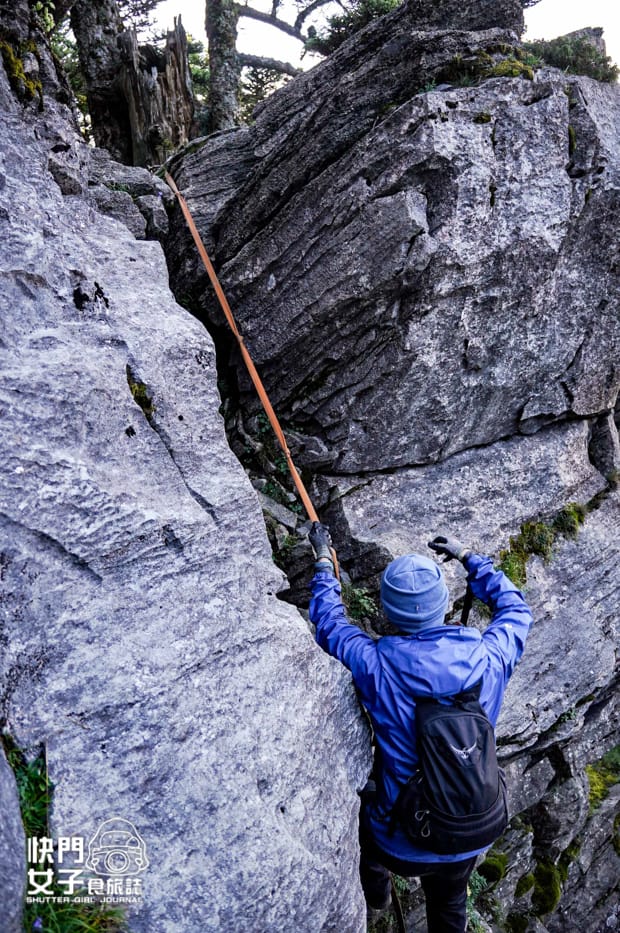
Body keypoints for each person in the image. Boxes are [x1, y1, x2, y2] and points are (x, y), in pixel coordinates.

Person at [308, 524, 533, 933]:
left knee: (364, 819)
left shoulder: (373, 664)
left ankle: (376, 895)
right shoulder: (489, 657)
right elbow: (517, 610)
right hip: (471, 829)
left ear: (388, 612)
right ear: (445, 603)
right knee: (450, 900)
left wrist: (325, 564)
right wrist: (470, 559)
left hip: (399, 843)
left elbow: (329, 625)